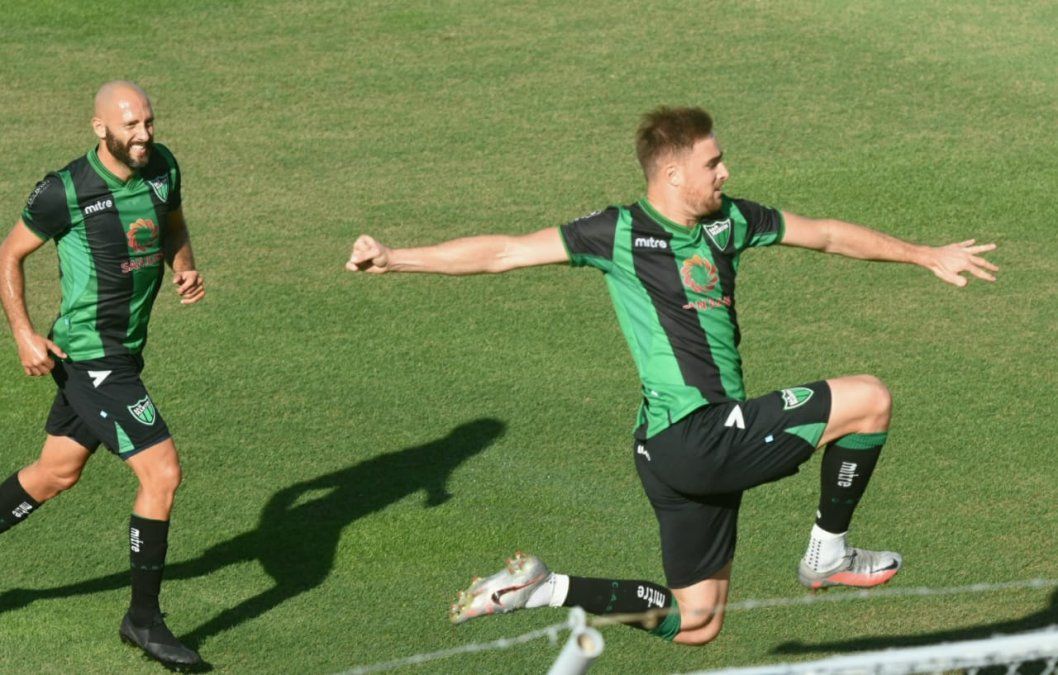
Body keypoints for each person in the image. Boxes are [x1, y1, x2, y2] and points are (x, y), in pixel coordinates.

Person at [345, 106, 998, 645]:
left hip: (663, 451)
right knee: (870, 399)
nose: (725, 171)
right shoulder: (618, 231)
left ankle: (545, 587)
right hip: (698, 435)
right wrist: (396, 258)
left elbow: (826, 234)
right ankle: (829, 551)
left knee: (696, 622)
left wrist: (922, 254)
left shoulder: (730, 220)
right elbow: (503, 252)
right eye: (713, 163)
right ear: (672, 173)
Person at [0, 81, 205, 667]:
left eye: (149, 122)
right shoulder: (65, 190)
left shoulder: (161, 167)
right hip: (91, 357)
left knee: (54, 473)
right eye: (130, 126)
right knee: (162, 472)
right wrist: (22, 332)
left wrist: (185, 266)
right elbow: (9, 254)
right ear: (100, 129)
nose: (144, 135)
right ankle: (143, 621)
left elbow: (173, 226)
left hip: (126, 352)